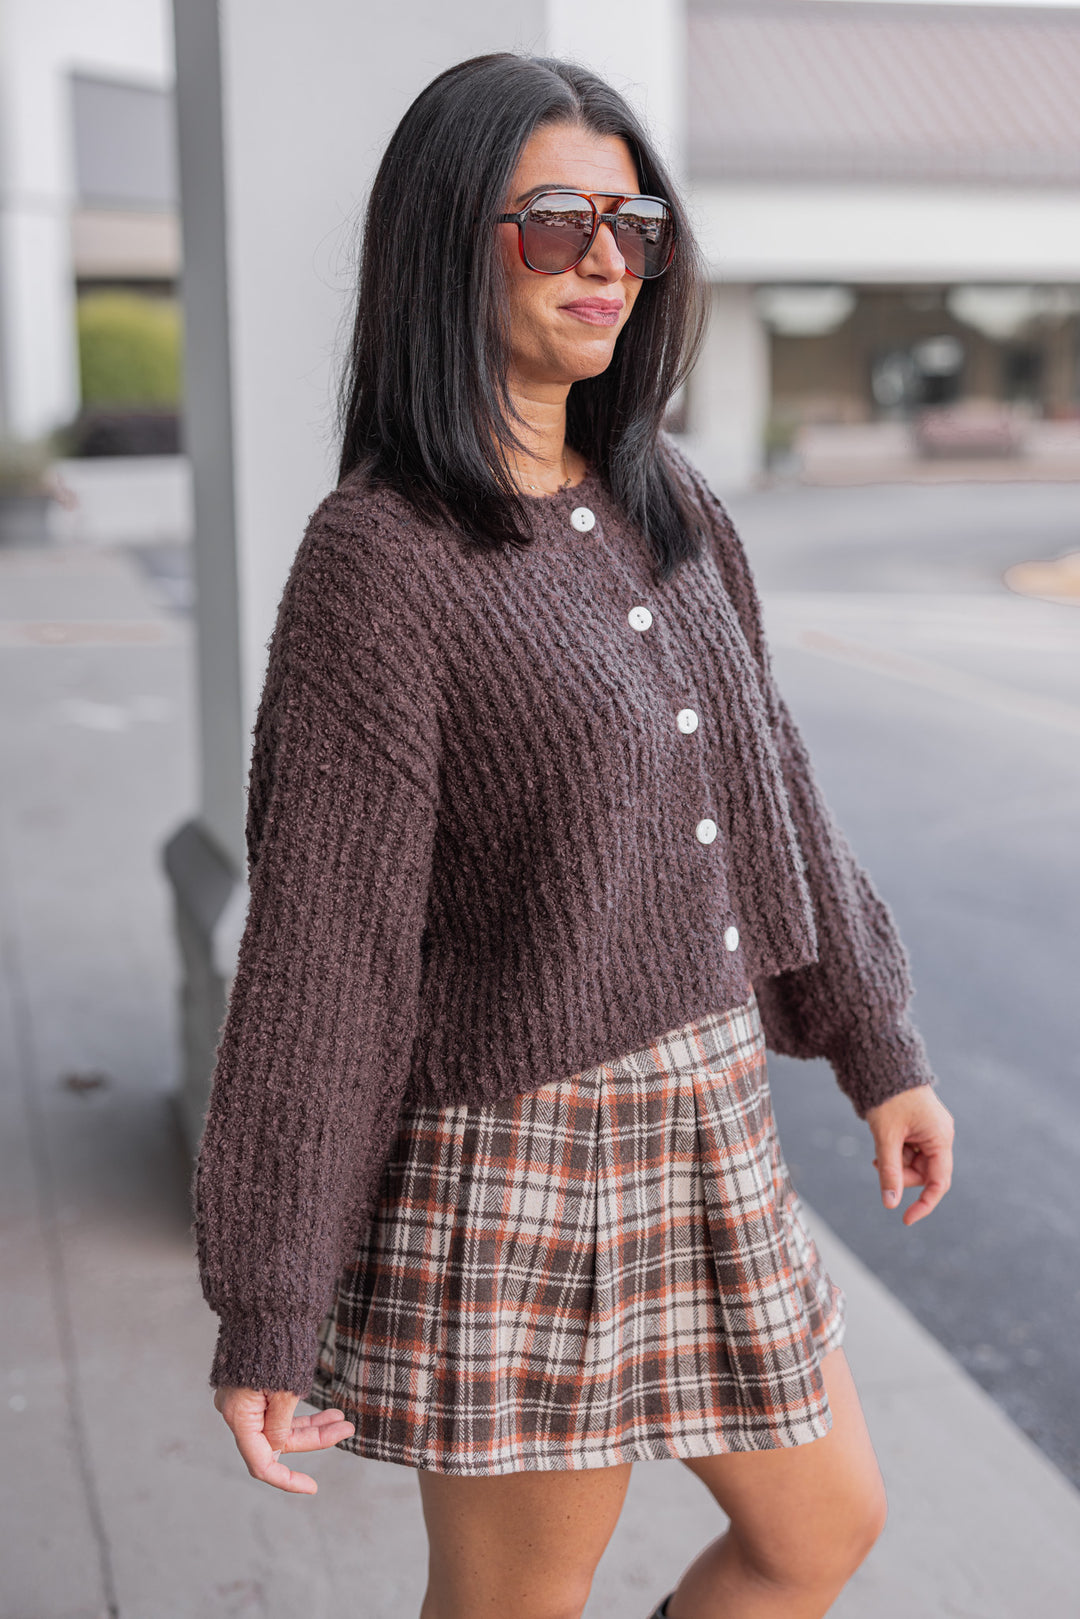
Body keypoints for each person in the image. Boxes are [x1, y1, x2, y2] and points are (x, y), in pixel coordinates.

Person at [192, 51, 955, 1619]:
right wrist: (267, 1304)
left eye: (633, 224)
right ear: (444, 240)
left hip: (713, 1123)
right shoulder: (382, 563)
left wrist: (878, 1044)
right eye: (555, 221)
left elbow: (772, 790)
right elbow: (326, 953)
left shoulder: (663, 496)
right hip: (527, 1161)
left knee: (822, 1531)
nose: (607, 260)